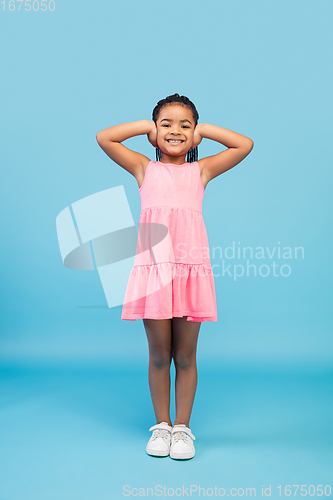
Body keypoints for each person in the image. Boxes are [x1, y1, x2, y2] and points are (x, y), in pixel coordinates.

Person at [96, 93, 254, 460]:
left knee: (185, 355)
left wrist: (202, 131)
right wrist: (148, 129)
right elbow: (105, 137)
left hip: (189, 272)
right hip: (154, 273)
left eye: (185, 125)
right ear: (154, 133)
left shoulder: (201, 171)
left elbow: (244, 144)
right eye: (166, 124)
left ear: (195, 133)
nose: (176, 131)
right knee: (158, 354)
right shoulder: (142, 168)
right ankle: (162, 426)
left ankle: (182, 429)